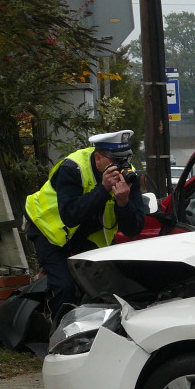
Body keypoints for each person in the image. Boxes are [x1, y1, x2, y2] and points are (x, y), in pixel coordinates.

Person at [24, 130, 147, 324]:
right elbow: (70, 216)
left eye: (126, 159)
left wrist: (124, 204)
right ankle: (60, 340)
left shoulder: (129, 175)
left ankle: (93, 334)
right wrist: (103, 190)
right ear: (98, 157)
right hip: (48, 230)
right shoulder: (73, 168)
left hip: (86, 235)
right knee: (64, 287)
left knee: (104, 284)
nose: (121, 166)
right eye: (115, 161)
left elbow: (134, 228)